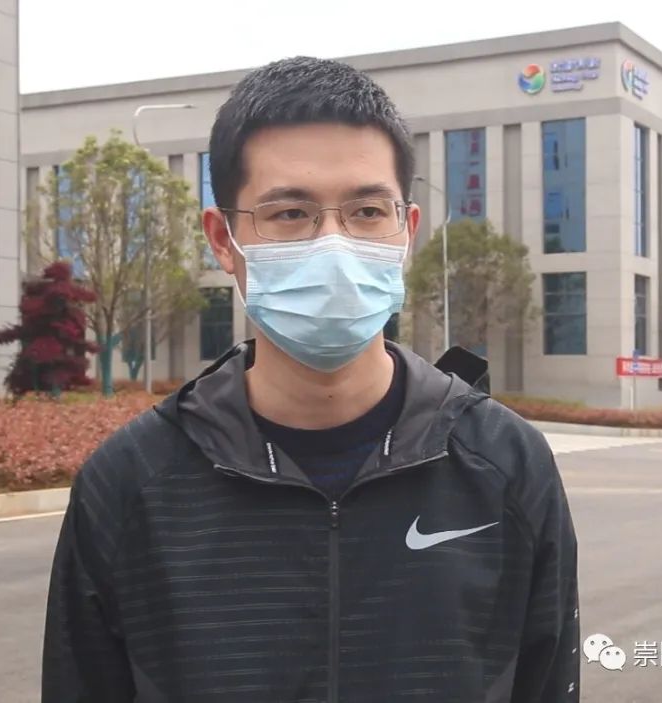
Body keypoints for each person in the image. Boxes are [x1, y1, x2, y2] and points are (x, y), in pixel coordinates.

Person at [42, 56, 580, 703]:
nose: (334, 244)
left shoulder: (506, 469)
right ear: (223, 239)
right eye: (291, 213)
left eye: (367, 211)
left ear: (406, 232)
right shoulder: (130, 488)